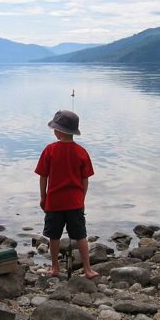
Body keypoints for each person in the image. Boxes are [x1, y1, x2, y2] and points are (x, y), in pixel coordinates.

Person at [35, 110, 99, 278]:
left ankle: (55, 267)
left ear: (57, 131)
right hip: (75, 202)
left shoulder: (50, 150)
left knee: (54, 236)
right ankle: (88, 269)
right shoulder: (82, 152)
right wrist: (82, 199)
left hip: (54, 202)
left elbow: (43, 176)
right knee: (80, 236)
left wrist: (43, 197)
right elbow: (85, 180)